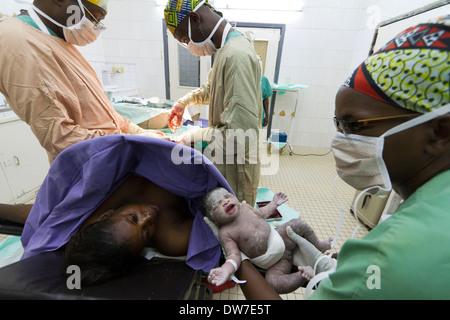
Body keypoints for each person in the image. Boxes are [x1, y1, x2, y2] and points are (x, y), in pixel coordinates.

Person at [235, 16, 450, 300]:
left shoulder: (395, 253)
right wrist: (338, 267)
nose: (340, 140)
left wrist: (240, 262)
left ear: (438, 133)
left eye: (354, 125)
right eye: (338, 125)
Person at [0, 134, 233, 285]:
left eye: (133, 218)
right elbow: (217, 213)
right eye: (145, 233)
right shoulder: (172, 237)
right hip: (184, 166)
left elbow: (47, 215)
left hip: (143, 149)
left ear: (106, 215)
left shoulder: (96, 212)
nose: (148, 216)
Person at [0, 0, 164, 163]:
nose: (95, 27)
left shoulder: (59, 40)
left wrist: (135, 131)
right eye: (94, 17)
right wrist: (130, 141)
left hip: (108, 157)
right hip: (89, 165)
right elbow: (60, 137)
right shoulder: (18, 41)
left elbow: (99, 109)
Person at [164, 0, 263, 206]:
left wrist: (192, 136)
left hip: (237, 166)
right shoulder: (227, 48)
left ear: (194, 19)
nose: (188, 47)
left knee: (235, 225)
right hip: (227, 156)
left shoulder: (236, 55)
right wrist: (185, 101)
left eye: (184, 39)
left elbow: (238, 135)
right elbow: (215, 87)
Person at [201, 187, 335, 294]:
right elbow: (233, 255)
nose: (225, 201)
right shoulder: (226, 233)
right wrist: (226, 269)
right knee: (273, 283)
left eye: (227, 196)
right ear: (214, 220)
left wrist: (274, 203)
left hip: (282, 237)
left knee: (296, 224)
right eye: (217, 204)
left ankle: (318, 245)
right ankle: (303, 274)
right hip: (275, 264)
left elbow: (261, 213)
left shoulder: (245, 208)